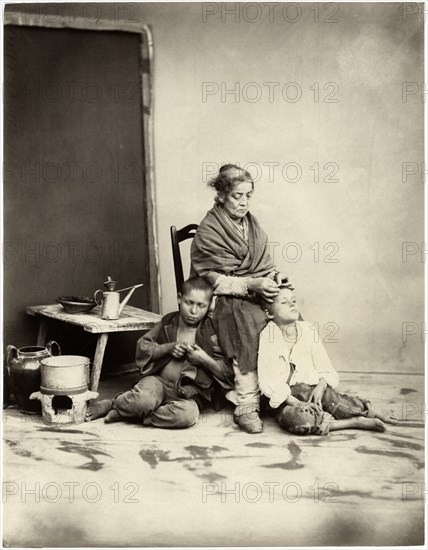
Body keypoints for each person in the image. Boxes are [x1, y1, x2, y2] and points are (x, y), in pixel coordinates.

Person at [191, 164, 293, 433]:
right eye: (237, 195)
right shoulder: (208, 231)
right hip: (222, 298)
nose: (244, 202)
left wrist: (275, 277)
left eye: (248, 195)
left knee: (287, 308)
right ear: (222, 195)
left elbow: (264, 266)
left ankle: (287, 392)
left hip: (255, 288)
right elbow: (215, 281)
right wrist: (252, 285)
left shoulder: (253, 225)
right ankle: (247, 403)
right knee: (246, 318)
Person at [86, 277, 233, 428]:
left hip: (188, 393)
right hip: (157, 382)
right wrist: (167, 348)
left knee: (187, 415)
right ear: (179, 298)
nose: (193, 311)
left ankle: (134, 414)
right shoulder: (168, 322)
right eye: (189, 303)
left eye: (201, 305)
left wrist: (203, 359)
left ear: (209, 306)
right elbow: (143, 346)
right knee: (143, 400)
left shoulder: (211, 333)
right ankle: (112, 403)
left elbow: (227, 374)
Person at [257, 285, 397, 435]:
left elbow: (325, 367)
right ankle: (352, 422)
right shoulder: (268, 336)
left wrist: (320, 387)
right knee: (299, 420)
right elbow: (269, 381)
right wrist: (298, 403)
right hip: (287, 399)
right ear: (269, 313)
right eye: (284, 302)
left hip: (312, 388)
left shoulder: (308, 330)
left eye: (294, 300)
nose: (292, 304)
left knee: (338, 402)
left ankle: (366, 410)